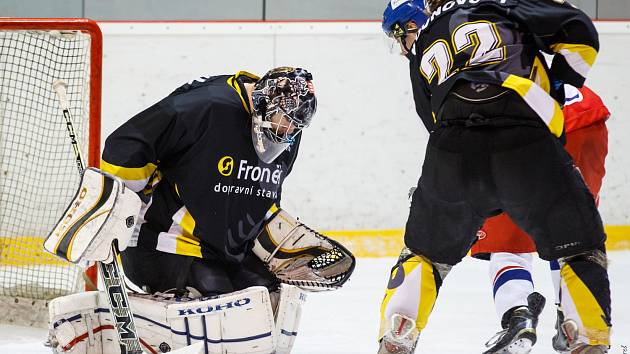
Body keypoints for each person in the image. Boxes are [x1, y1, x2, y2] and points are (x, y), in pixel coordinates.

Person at [45, 67, 355, 354]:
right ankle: (143, 321)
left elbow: (259, 197)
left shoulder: (287, 136)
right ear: (261, 103)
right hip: (164, 246)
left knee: (269, 298)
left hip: (220, 251)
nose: (285, 131)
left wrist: (272, 238)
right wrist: (118, 208)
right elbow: (125, 144)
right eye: (281, 120)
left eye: (294, 126)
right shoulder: (205, 108)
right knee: (227, 307)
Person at [378, 1, 611, 353]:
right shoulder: (503, 6)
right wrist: (558, 87)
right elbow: (579, 29)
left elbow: (433, 120)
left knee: (425, 254)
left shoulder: (424, 42)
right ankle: (584, 337)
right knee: (578, 247)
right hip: (530, 139)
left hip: (454, 150)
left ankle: (399, 330)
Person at [473, 84, 611, 354]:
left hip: (521, 132)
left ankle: (518, 315)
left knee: (507, 245)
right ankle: (574, 323)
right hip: (588, 122)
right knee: (572, 238)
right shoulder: (547, 44)